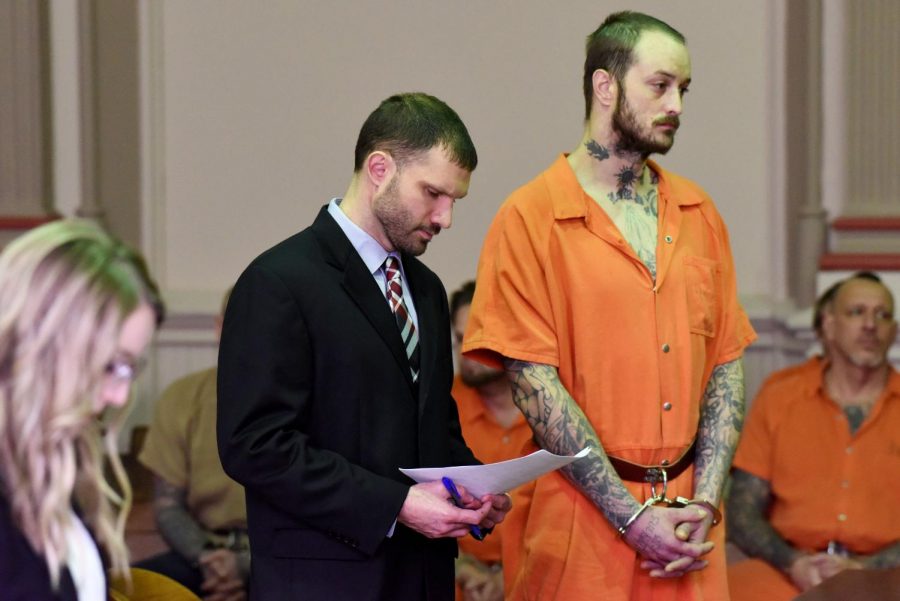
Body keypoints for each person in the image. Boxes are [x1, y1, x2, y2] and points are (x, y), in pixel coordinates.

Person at [462, 11, 756, 600]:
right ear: (605, 86)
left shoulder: (699, 212)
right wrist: (631, 517)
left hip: (688, 529)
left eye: (683, 89)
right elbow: (534, 384)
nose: (676, 103)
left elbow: (726, 363)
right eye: (660, 85)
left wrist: (706, 500)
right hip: (581, 521)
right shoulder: (530, 217)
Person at [217, 92, 511, 601]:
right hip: (325, 580)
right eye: (433, 194)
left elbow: (432, 425)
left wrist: (472, 490)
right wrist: (397, 505)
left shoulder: (426, 289)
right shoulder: (279, 281)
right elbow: (254, 446)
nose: (445, 218)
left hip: (423, 577)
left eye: (455, 201)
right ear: (380, 168)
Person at [0, 219, 164, 599]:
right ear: (44, 345)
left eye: (131, 370)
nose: (120, 396)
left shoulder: (52, 469)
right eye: (112, 366)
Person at [727, 273, 900, 600]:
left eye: (883, 314)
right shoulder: (781, 395)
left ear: (893, 332)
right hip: (788, 569)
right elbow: (742, 511)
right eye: (856, 312)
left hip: (886, 575)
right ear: (828, 325)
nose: (870, 324)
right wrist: (793, 562)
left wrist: (865, 569)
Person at [137, 288, 248, 600]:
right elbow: (168, 507)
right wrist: (211, 561)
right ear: (218, 328)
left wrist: (246, 566)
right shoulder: (182, 396)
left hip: (283, 557)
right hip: (203, 553)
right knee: (122, 586)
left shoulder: (311, 401)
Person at [449, 281, 532, 601]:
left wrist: (508, 578)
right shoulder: (441, 407)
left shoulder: (554, 412)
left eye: (475, 337)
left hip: (544, 582)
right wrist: (462, 568)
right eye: (459, 340)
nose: (465, 351)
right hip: (461, 583)